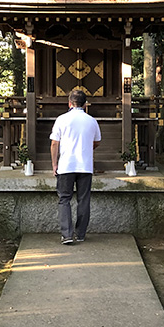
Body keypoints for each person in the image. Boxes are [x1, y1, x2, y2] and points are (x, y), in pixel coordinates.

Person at [50, 89, 101, 245]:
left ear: (69, 103)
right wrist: (85, 148)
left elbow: (54, 143)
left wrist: (54, 164)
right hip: (85, 166)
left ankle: (66, 234)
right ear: (85, 104)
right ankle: (80, 234)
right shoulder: (91, 120)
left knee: (64, 199)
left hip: (66, 165)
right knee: (83, 199)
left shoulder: (62, 119)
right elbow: (97, 141)